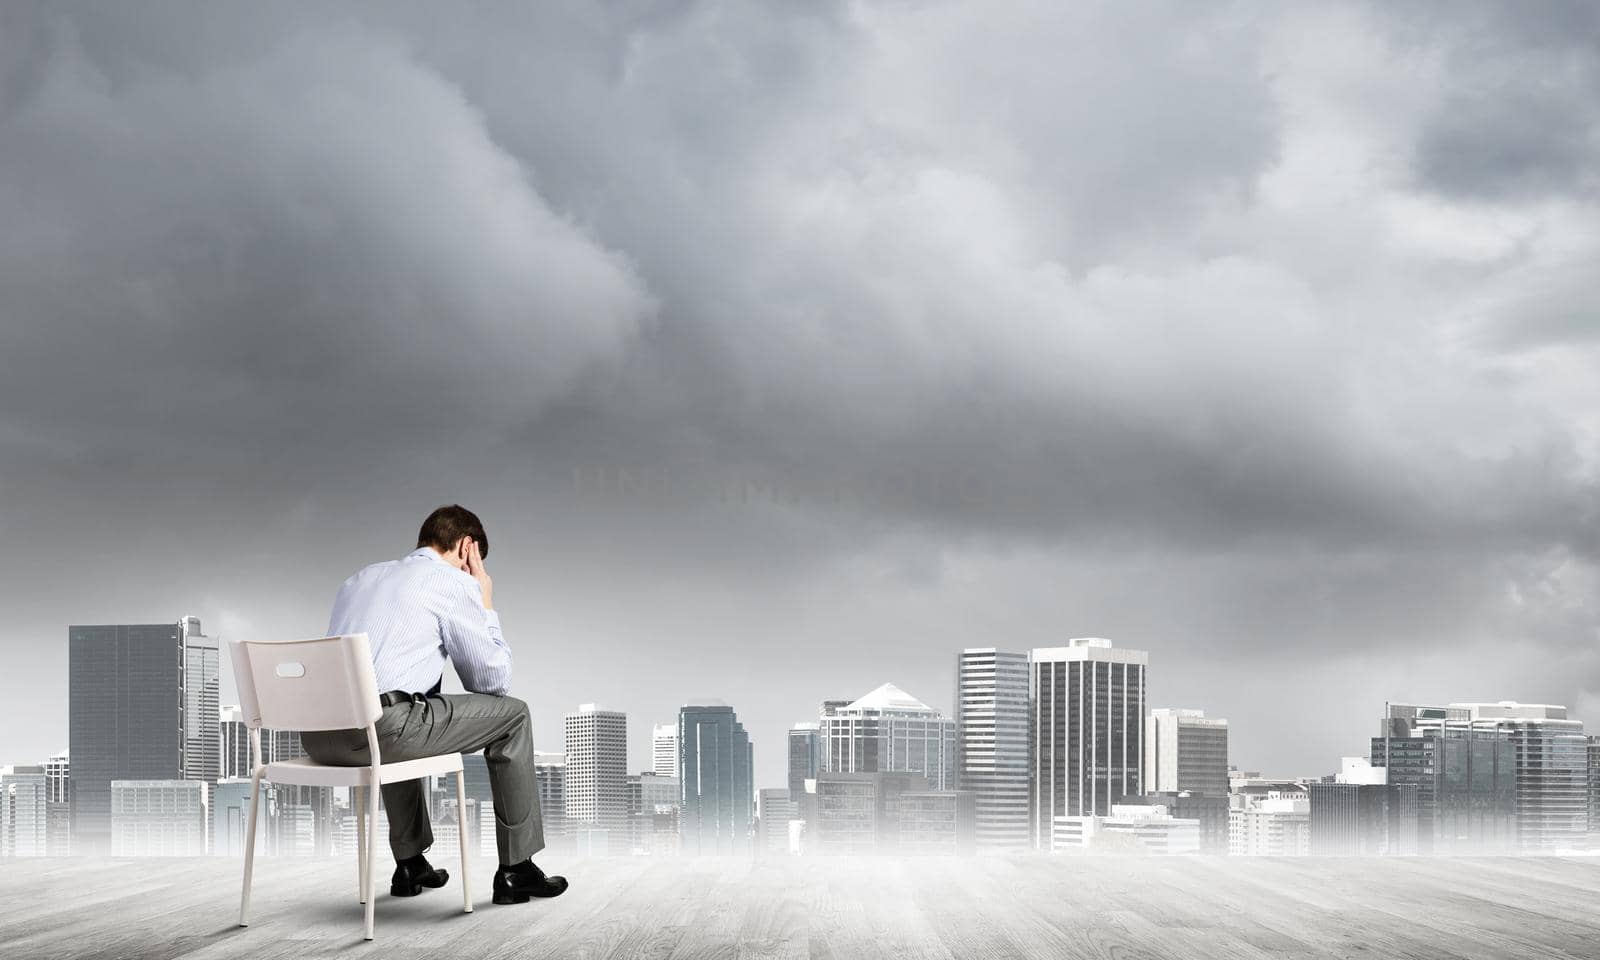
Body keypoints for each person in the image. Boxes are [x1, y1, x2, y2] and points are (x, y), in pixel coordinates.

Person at [301, 504, 568, 904]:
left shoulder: (359, 579)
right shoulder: (451, 581)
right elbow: (492, 681)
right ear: (467, 548)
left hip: (320, 737)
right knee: (514, 715)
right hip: (382, 731)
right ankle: (517, 869)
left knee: (404, 706)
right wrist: (485, 603)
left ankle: (410, 864)